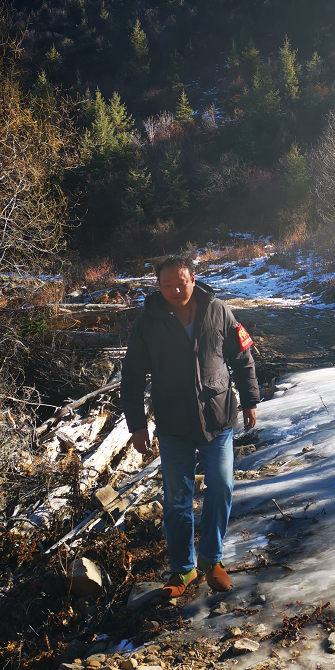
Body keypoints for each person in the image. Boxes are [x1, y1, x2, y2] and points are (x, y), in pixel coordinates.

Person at [120, 255, 259, 598]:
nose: (175, 289)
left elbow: (242, 356)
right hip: (173, 423)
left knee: (222, 486)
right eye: (167, 285)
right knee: (177, 500)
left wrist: (251, 400)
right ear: (158, 286)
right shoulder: (147, 323)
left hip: (218, 416)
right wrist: (137, 425)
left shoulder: (219, 310)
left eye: (180, 282)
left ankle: (212, 560)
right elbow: (133, 377)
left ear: (193, 279)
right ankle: (183, 570)